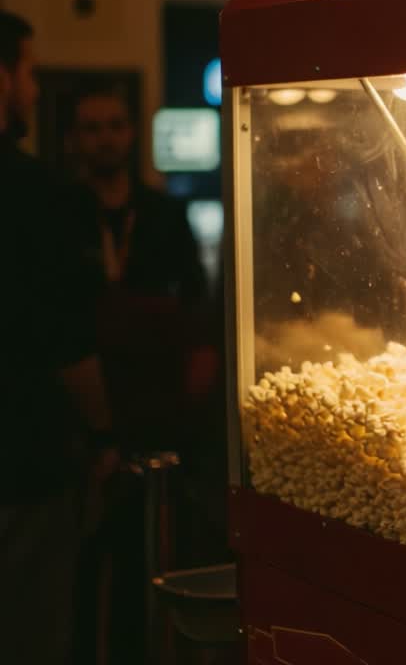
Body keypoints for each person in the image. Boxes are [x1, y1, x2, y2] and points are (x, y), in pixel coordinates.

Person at [62, 80, 213, 664]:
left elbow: (196, 305)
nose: (104, 138)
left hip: (159, 410)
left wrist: (197, 384)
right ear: (76, 139)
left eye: (114, 126)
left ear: (131, 134)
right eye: (92, 127)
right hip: (82, 411)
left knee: (156, 554)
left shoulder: (163, 214)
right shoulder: (60, 215)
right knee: (82, 561)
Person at [0, 9, 115, 665]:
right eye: (28, 73)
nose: (34, 90)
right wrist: (102, 437)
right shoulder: (36, 195)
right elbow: (66, 342)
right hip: (24, 466)